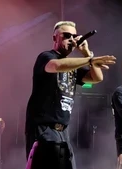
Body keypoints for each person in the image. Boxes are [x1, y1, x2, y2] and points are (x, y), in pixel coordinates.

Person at [24, 20, 116, 157]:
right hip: (44, 128)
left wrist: (86, 53)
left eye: (74, 36)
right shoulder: (46, 57)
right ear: (55, 38)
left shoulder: (73, 66)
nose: (72, 40)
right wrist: (90, 60)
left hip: (63, 131)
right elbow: (56, 66)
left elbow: (96, 78)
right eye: (67, 36)